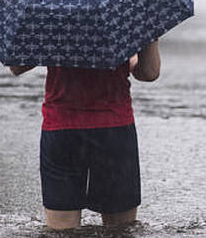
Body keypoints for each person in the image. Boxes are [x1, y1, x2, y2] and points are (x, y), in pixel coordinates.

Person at [9, 39, 160, 230]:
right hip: (113, 129)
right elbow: (149, 73)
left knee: (62, 230)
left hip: (62, 129)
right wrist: (149, 35)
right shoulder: (125, 14)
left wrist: (50, 44)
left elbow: (16, 67)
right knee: (120, 230)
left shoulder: (52, 14)